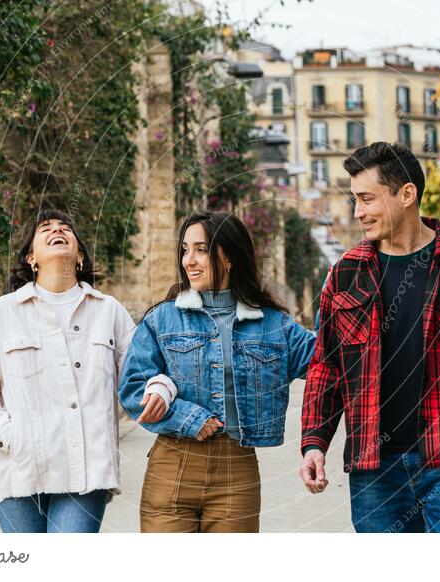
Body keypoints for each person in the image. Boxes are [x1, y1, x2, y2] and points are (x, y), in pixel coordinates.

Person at [299, 142, 440, 533]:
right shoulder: (346, 273)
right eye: (354, 200)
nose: (358, 212)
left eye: (367, 199)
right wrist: (315, 443)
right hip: (373, 472)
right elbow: (325, 368)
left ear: (406, 194)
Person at [119, 210, 315, 533]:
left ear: (228, 256)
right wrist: (188, 417)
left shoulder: (273, 325)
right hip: (172, 464)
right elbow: (133, 387)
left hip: (235, 473)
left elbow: (328, 359)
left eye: (200, 249)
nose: (188, 260)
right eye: (185, 249)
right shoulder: (163, 319)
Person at [0, 209, 140, 533]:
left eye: (65, 228)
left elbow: (139, 375)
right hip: (18, 473)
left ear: (80, 256)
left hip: (86, 473)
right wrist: (13, 437)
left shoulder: (108, 311)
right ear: (31, 257)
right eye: (46, 229)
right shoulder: (1, 313)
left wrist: (161, 389)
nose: (58, 231)